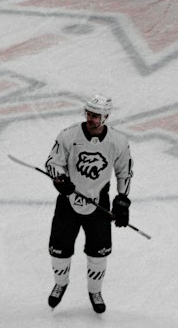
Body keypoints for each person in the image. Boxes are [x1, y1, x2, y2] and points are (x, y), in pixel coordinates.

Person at [45, 93, 132, 314]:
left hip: (99, 203)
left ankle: (95, 290)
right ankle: (61, 284)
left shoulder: (118, 141)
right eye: (89, 114)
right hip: (68, 202)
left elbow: (125, 173)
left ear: (106, 117)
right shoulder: (68, 135)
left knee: (98, 253)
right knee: (59, 250)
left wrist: (122, 201)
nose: (91, 119)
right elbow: (53, 162)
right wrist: (60, 179)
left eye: (96, 116)